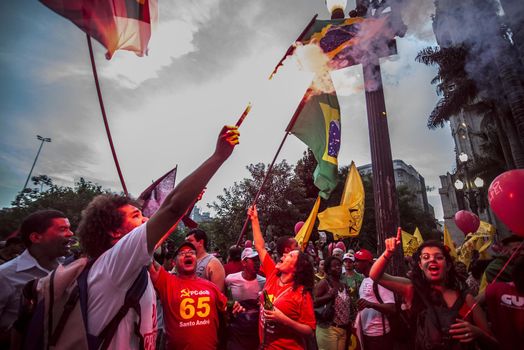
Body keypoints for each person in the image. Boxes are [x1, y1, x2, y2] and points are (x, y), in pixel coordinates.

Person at [75, 125, 239, 349]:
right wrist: (219, 156)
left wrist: (187, 205)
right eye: (136, 216)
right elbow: (171, 208)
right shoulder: (115, 262)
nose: (145, 221)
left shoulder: (126, 266)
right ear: (114, 232)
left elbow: (166, 225)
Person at [370, 231, 497, 350]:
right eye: (426, 257)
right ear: (420, 265)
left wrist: (478, 333)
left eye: (438, 257)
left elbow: (493, 342)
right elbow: (375, 276)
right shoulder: (413, 290)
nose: (432, 259)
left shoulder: (465, 298)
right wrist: (387, 253)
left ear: (447, 265)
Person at [150, 241, 243, 349]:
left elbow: (227, 308)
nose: (188, 254)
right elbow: (146, 258)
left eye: (192, 252)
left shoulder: (210, 287)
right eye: (182, 253)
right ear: (174, 263)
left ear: (196, 260)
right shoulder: (166, 281)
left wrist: (235, 308)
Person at [0, 210, 73, 348]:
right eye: (63, 229)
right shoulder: (5, 276)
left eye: (69, 228)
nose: (71, 234)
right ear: (36, 237)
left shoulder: (69, 269)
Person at [248, 205, 315, 349]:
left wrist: (283, 319)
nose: (284, 255)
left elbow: (309, 331)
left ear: (296, 268)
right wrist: (254, 219)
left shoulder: (301, 294)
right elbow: (260, 247)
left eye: (290, 255)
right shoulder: (273, 274)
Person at [353, 249, 395, 350]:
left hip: (379, 335)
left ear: (368, 263)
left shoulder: (380, 281)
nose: (355, 263)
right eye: (355, 260)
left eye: (359, 261)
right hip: (366, 333)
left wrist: (371, 304)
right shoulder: (364, 280)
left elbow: (392, 308)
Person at [225, 247, 266, 349]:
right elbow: (225, 299)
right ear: (244, 263)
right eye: (254, 260)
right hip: (237, 332)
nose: (257, 263)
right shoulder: (230, 279)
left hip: (255, 330)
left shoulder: (264, 282)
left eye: (258, 260)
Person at [482, 255, 524, 349]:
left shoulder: (495, 288)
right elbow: (470, 303)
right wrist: (484, 332)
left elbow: (470, 302)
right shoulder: (496, 289)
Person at [314, 256, 351, 350]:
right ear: (328, 270)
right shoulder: (324, 283)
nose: (338, 267)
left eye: (339, 265)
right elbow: (313, 301)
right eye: (334, 266)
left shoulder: (343, 284)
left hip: (343, 329)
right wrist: (328, 296)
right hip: (329, 328)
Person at [342, 253, 363, 323]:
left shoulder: (360, 277)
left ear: (354, 263)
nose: (348, 264)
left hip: (357, 307)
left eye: (350, 262)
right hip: (343, 308)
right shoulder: (340, 277)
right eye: (346, 262)